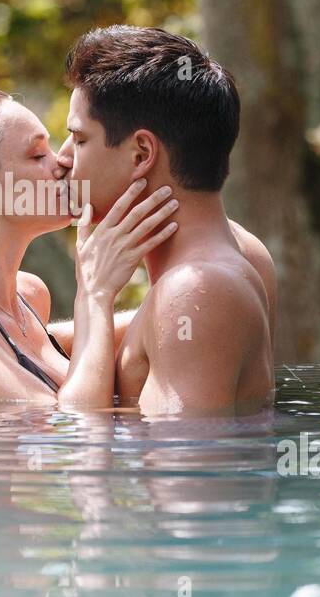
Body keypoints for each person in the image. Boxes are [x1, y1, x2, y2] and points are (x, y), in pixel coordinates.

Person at [0, 88, 178, 406]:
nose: (62, 163)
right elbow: (76, 428)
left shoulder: (29, 297)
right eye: (38, 155)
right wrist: (94, 294)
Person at [49, 26, 276, 414]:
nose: (62, 158)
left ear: (140, 154)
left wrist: (94, 295)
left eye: (80, 139)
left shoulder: (196, 289)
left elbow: (182, 467)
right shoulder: (241, 252)